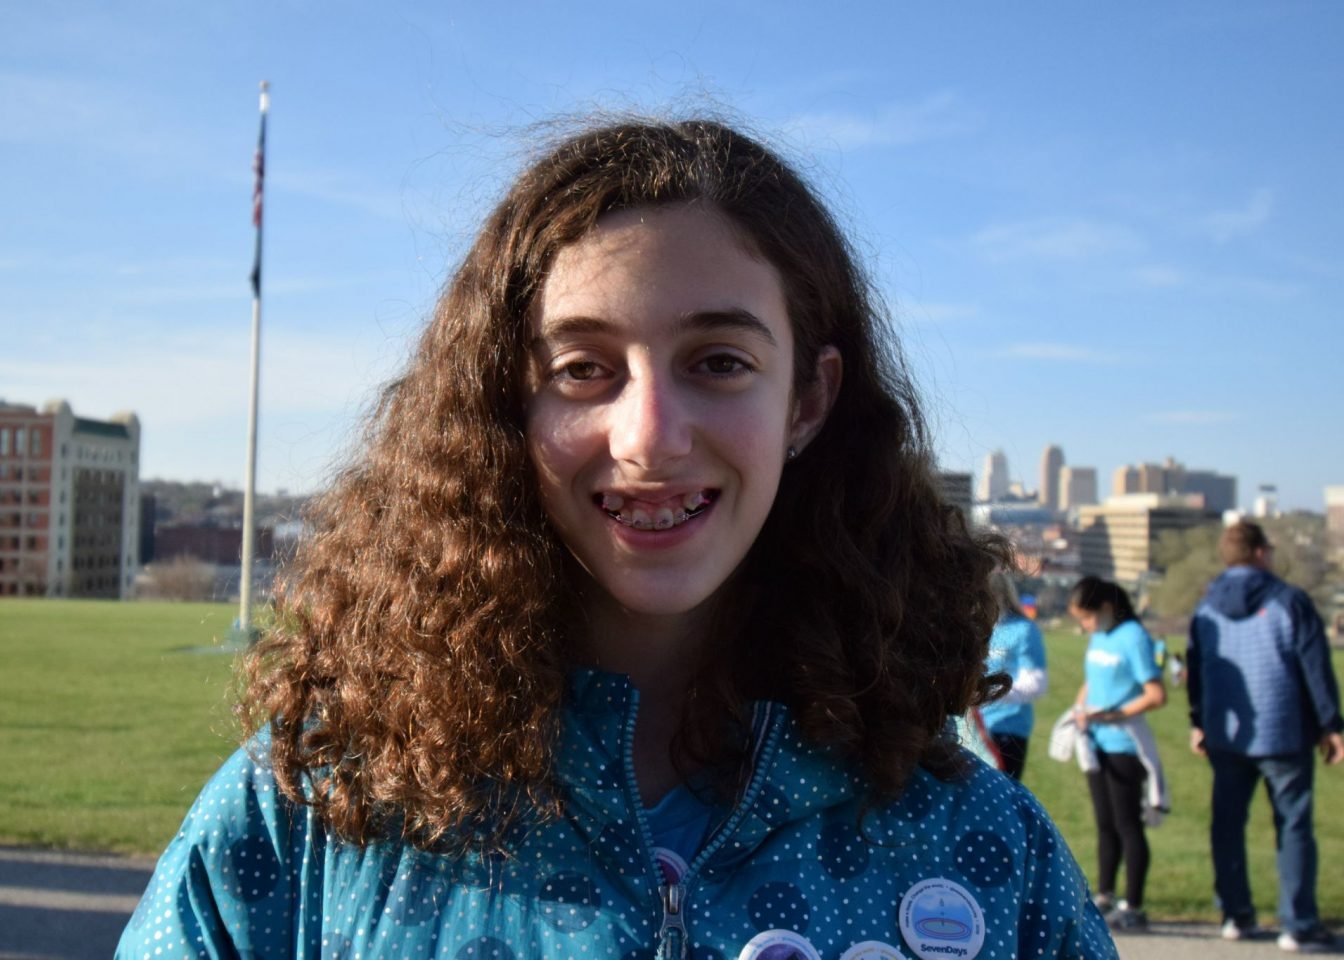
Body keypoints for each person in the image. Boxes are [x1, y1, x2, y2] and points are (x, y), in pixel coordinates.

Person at [118, 118, 1114, 959]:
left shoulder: (981, 847)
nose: (650, 437)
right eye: (583, 369)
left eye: (719, 362)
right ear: (505, 400)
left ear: (807, 401)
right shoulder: (313, 811)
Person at [1188, 521, 1344, 952]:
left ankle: (1235, 914)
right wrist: (1331, 724)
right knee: (1293, 825)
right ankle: (1298, 922)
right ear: (1259, 552)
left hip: (1226, 732)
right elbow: (1314, 667)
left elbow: (1196, 669)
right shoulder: (1289, 600)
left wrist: (1197, 720)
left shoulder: (1206, 606)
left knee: (1227, 825)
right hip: (1283, 729)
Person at [1068, 575, 1167, 934]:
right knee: (1104, 824)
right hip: (1095, 743)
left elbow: (1156, 694)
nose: (1084, 626)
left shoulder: (1133, 637)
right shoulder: (1100, 635)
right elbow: (1092, 679)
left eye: (1087, 617)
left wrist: (1113, 715)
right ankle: (1105, 895)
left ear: (1107, 607)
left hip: (1124, 745)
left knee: (1128, 825)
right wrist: (1079, 708)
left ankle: (1134, 905)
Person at [978, 569, 1048, 780]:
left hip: (1007, 728)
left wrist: (987, 693)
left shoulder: (1024, 629)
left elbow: (1036, 684)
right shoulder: (975, 627)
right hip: (973, 729)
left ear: (1001, 595)